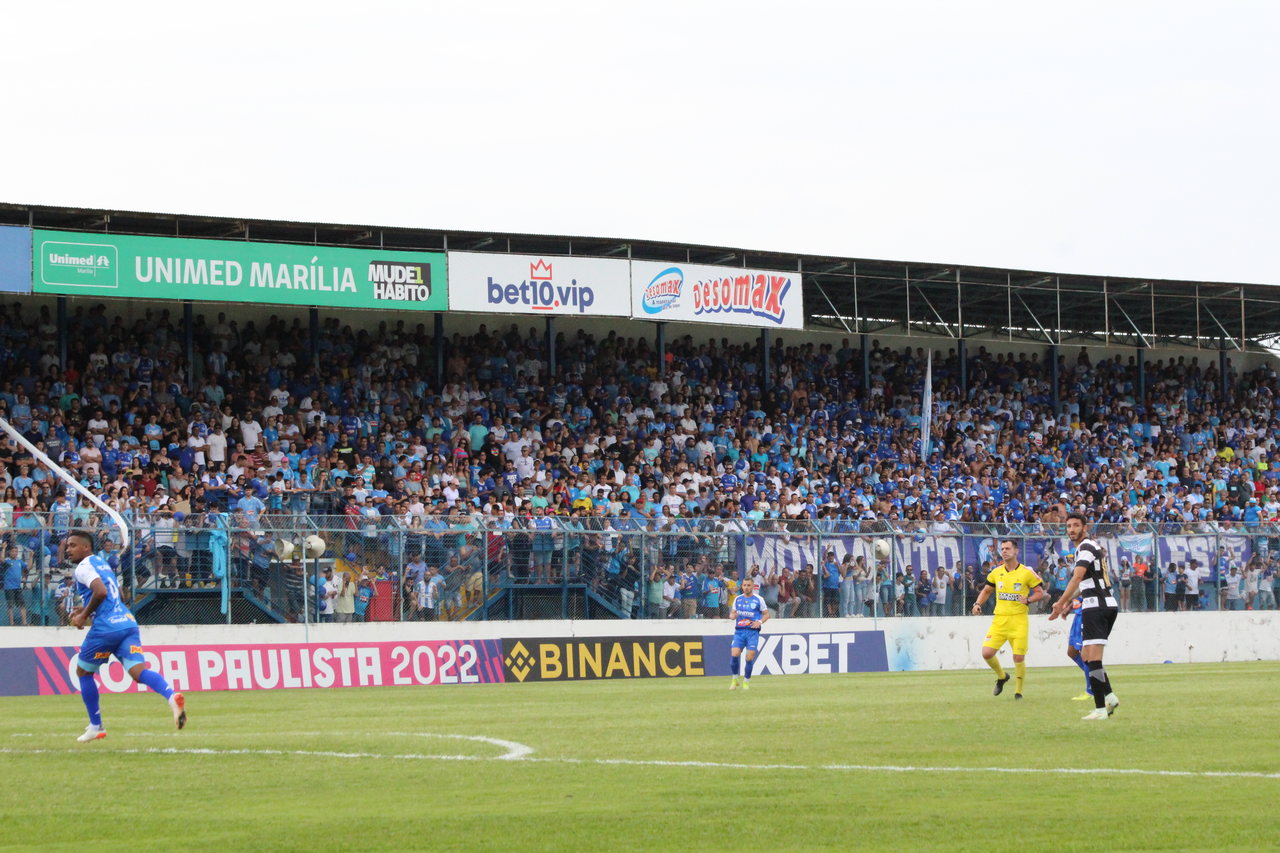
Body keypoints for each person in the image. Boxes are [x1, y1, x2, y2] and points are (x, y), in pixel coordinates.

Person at [65, 529, 186, 742]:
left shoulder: (84, 567)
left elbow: (101, 592)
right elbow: (117, 595)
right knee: (139, 672)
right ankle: (171, 696)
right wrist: (85, 609)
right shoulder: (102, 563)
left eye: (73, 545)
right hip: (127, 623)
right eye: (67, 546)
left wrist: (84, 615)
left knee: (83, 672)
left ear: (86, 547)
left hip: (106, 628)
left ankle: (96, 726)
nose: (68, 550)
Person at [1049, 512, 1120, 720]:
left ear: (1085, 527)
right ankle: (1110, 696)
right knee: (1088, 656)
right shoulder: (1088, 547)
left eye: (1075, 525)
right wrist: (1069, 603)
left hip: (1097, 606)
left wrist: (1059, 603)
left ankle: (1100, 710)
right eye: (1069, 526)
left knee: (1093, 658)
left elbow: (1077, 577)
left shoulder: (1086, 547)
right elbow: (1087, 582)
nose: (1071, 530)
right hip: (1098, 604)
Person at [971, 539, 1045, 699]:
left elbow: (1040, 592)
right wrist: (977, 604)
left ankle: (1018, 692)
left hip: (1018, 620)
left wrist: (1029, 600)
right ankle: (1002, 676)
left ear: (1016, 551)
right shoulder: (996, 572)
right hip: (1000, 620)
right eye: (1002, 549)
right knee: (986, 653)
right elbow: (986, 591)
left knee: (1018, 657)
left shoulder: (1026, 572)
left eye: (1008, 548)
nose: (1004, 551)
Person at [727, 577, 770, 690]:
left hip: (752, 632)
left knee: (749, 657)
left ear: (753, 586)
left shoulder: (758, 599)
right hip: (739, 631)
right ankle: (735, 678)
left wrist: (759, 622)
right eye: (744, 585)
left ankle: (746, 681)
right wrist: (732, 616)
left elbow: (766, 614)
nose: (746, 587)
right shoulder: (737, 599)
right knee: (734, 654)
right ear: (742, 586)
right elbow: (732, 613)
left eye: (748, 585)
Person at [1064, 596, 1092, 702]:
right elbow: (1078, 595)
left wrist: (1063, 601)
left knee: (1086, 655)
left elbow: (1081, 591)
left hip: (1086, 616)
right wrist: (1069, 607)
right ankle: (1096, 674)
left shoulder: (1085, 579)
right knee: (1071, 652)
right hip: (1078, 616)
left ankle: (1091, 690)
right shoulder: (1077, 581)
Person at [3, 544, 26, 626]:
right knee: (10, 606)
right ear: (9, 552)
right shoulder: (7, 560)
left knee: (22, 604)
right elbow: (1, 560)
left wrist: (31, 557)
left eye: (16, 551)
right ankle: (12, 623)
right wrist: (4, 548)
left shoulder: (19, 561)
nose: (15, 553)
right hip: (9, 587)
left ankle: (24, 623)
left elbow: (28, 567)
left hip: (17, 586)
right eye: (13, 551)